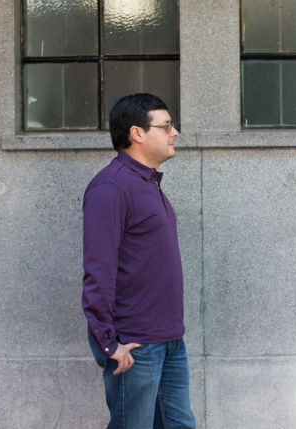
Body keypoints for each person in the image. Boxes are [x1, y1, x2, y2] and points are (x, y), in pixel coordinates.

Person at [82, 93, 195, 429]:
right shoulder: (111, 188)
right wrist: (108, 342)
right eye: (166, 126)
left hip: (171, 339)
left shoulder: (147, 184)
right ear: (137, 133)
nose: (174, 132)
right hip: (135, 344)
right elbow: (98, 271)